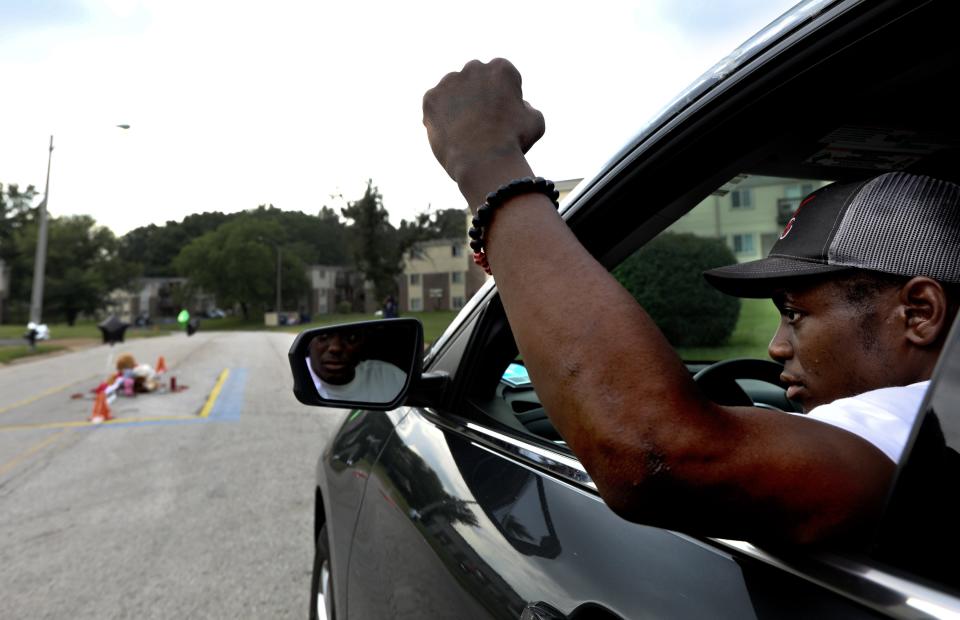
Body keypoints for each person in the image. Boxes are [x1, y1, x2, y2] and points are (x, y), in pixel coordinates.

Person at [421, 58, 959, 545]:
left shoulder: (906, 426)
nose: (774, 347)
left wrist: (489, 164)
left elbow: (656, 455)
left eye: (795, 315)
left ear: (919, 314)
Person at [306, 325, 407, 403]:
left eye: (351, 337)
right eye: (323, 336)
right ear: (309, 343)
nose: (335, 348)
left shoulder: (389, 376)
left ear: (362, 345)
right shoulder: (299, 377)